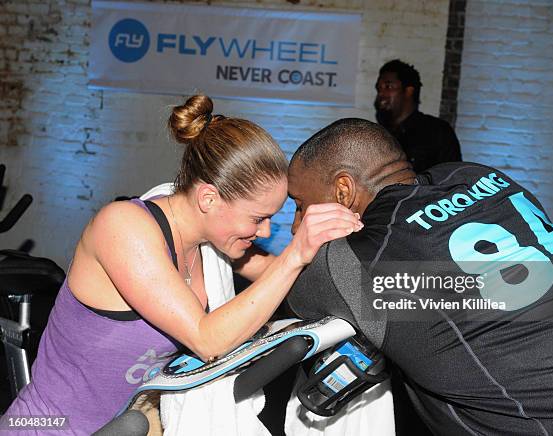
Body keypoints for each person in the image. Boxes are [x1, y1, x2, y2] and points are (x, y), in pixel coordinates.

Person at [0, 96, 362, 435]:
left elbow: (292, 280)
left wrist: (356, 253)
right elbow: (208, 339)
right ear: (208, 198)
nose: (265, 231)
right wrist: (296, 252)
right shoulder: (123, 227)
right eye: (258, 218)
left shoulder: (214, 245)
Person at [285, 118, 553, 434]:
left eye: (300, 205)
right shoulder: (473, 173)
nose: (295, 224)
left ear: (343, 191)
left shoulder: (355, 260)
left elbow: (288, 288)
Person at [375, 59, 462, 173]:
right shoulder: (380, 132)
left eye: (388, 87)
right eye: (379, 88)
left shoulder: (437, 131)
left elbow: (453, 178)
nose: (381, 94)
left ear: (409, 91)